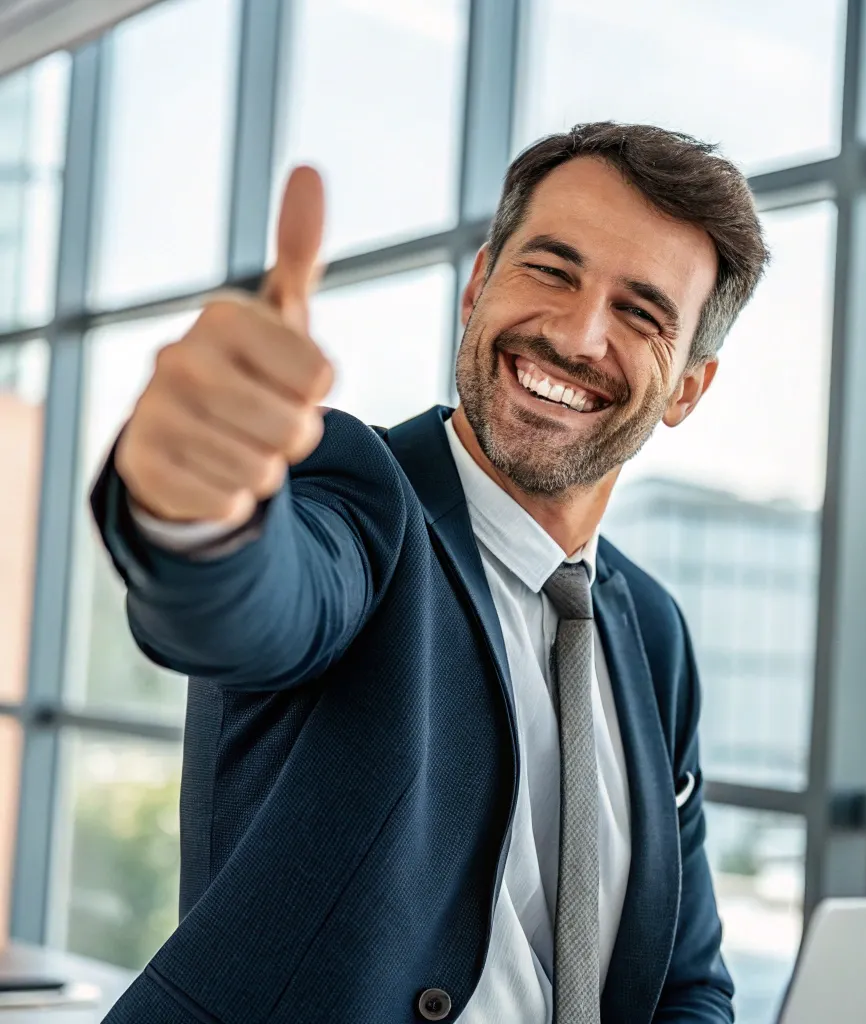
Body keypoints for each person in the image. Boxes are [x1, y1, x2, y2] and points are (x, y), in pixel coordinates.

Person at [92, 122, 768, 1023]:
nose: (575, 333)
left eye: (640, 313)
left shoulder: (652, 629)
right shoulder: (357, 495)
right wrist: (198, 505)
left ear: (686, 385)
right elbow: (253, 603)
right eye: (549, 271)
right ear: (480, 282)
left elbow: (686, 981)